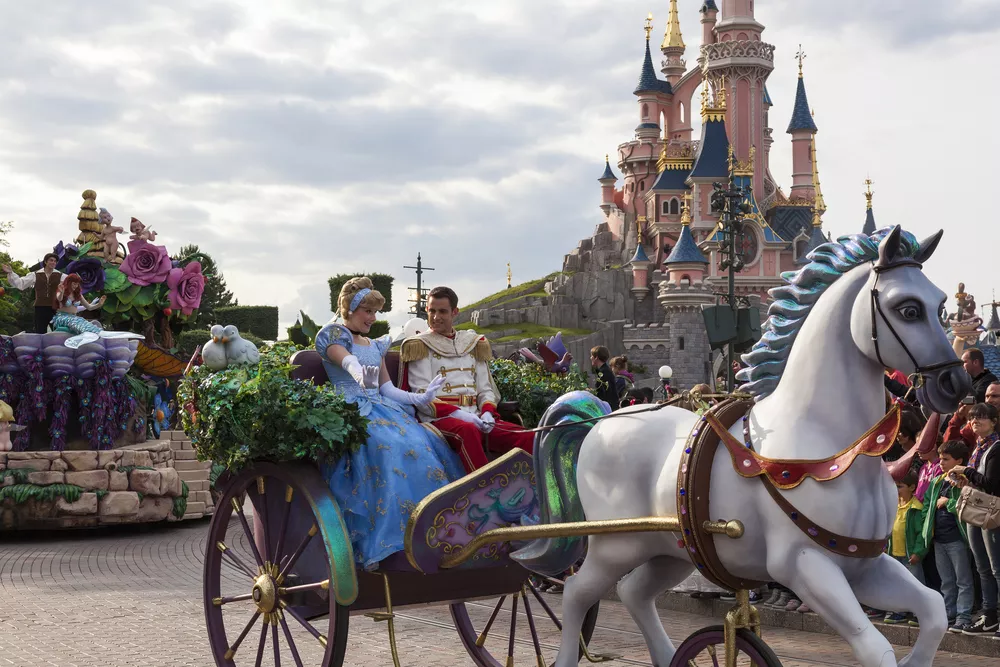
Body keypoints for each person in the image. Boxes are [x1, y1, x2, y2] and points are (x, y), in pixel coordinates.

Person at [315, 277, 465, 570]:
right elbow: (345, 361)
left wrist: (419, 398)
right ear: (350, 308)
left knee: (420, 442)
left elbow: (386, 389)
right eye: (367, 311)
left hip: (382, 408)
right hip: (351, 411)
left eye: (374, 312)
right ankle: (391, 540)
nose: (372, 318)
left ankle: (429, 530)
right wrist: (355, 369)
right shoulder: (333, 336)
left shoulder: (374, 344)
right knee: (388, 446)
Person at [401, 286, 534, 474]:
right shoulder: (419, 345)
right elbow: (422, 395)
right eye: (431, 311)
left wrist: (487, 412)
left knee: (527, 436)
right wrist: (460, 415)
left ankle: (530, 490)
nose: (435, 317)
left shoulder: (472, 343)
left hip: (478, 417)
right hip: (440, 419)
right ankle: (486, 490)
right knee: (467, 431)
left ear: (455, 312)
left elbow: (485, 389)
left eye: (442, 311)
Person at [949, 402, 1000, 637]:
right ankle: (989, 617)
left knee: (996, 568)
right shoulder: (978, 448)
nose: (975, 421)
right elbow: (978, 482)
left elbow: (992, 484)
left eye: (981, 417)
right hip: (976, 513)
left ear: (994, 421)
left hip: (992, 515)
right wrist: (963, 480)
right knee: (982, 568)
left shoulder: (996, 448)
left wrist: (966, 471)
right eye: (972, 417)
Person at [920, 440, 975, 632]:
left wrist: (948, 502)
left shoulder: (963, 481)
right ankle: (948, 613)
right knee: (947, 580)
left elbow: (968, 505)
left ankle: (964, 615)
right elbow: (927, 506)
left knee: (963, 580)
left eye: (946, 459)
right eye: (941, 458)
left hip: (957, 540)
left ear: (959, 460)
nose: (941, 462)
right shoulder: (937, 481)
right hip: (939, 540)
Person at [884, 469, 926, 624]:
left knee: (915, 584)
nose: (896, 490)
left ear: (912, 487)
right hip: (895, 553)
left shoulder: (916, 507)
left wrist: (918, 552)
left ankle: (920, 612)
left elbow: (922, 534)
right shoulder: (893, 505)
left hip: (910, 555)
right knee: (898, 584)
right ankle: (899, 611)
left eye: (900, 486)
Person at [4, 253, 65, 333]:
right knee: (40, 331)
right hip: (40, 307)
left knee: (57, 331)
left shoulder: (60, 275)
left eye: (55, 261)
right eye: (51, 260)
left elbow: (71, 284)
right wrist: (11, 273)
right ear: (46, 262)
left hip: (55, 308)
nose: (53, 262)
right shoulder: (35, 274)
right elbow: (21, 283)